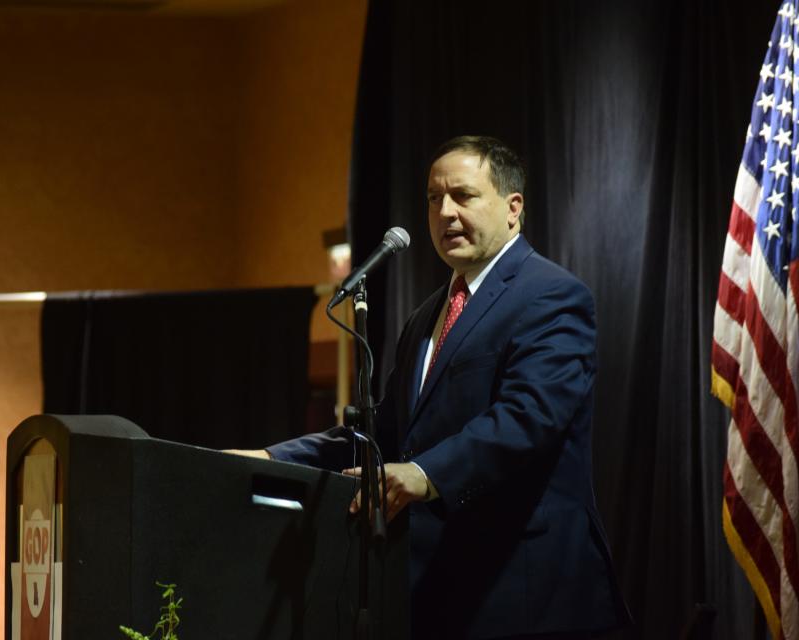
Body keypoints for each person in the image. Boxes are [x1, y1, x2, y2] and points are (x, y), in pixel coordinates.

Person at [231, 136, 630, 639]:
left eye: (463, 196)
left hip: (528, 592)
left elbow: (529, 417)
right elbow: (389, 431)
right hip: (441, 593)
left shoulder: (551, 295)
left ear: (513, 208)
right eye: (433, 199)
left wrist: (424, 472)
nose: (445, 212)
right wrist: (271, 459)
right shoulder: (427, 316)